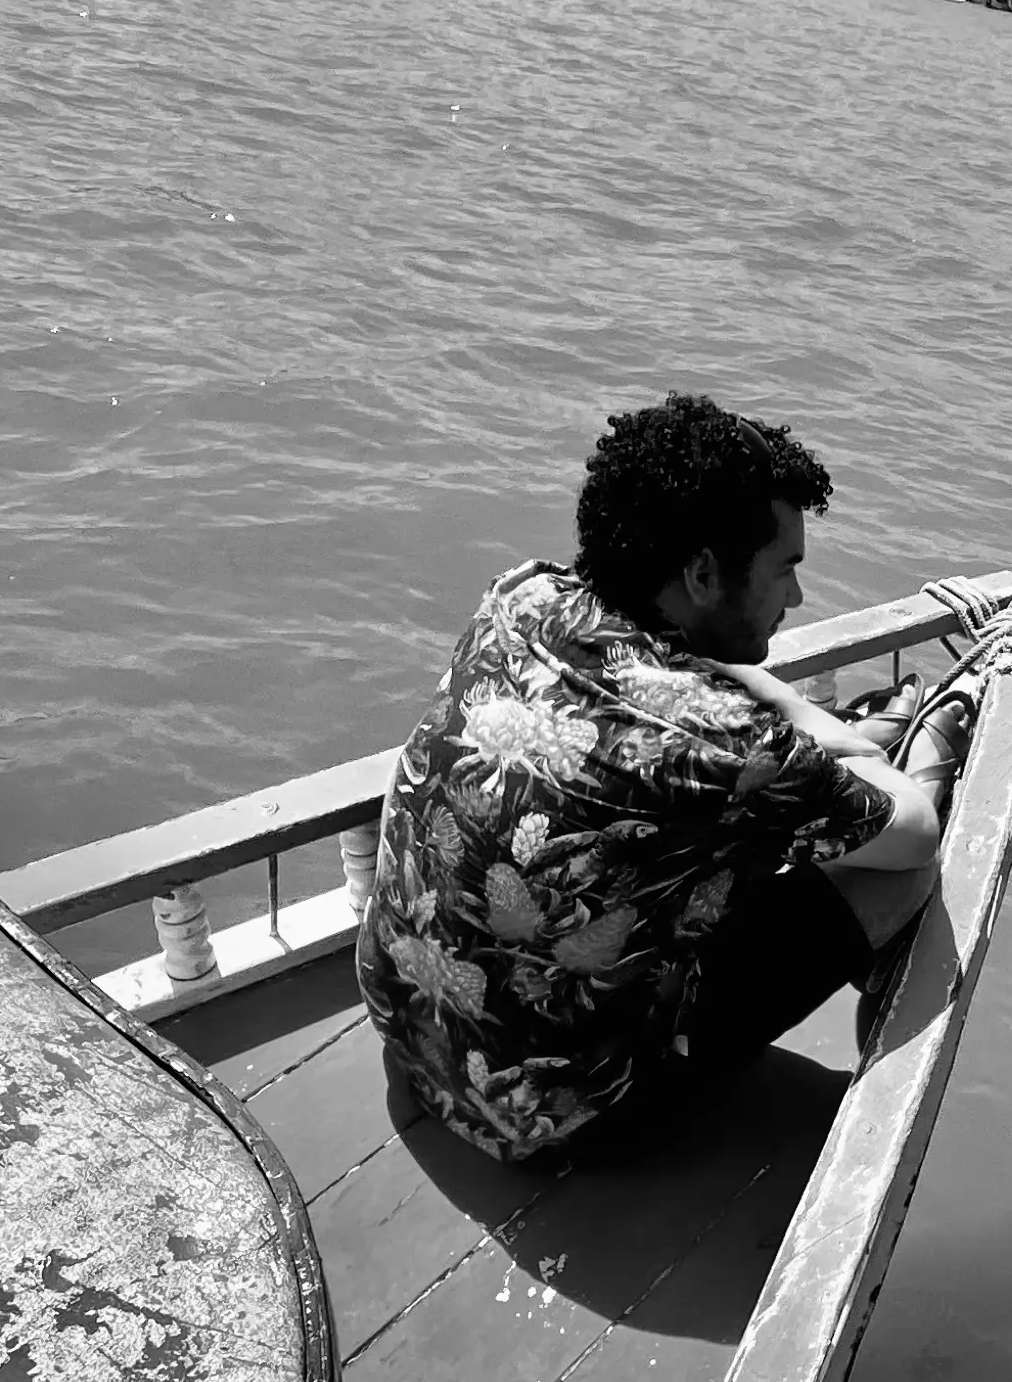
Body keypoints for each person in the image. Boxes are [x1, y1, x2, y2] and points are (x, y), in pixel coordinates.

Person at [353, 395, 979, 1165]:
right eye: (785, 569)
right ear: (704, 574)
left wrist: (786, 725)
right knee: (898, 879)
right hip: (547, 1123)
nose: (796, 599)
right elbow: (914, 834)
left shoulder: (524, 594)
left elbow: (670, 690)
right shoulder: (728, 746)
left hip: (406, 1030)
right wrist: (826, 730)